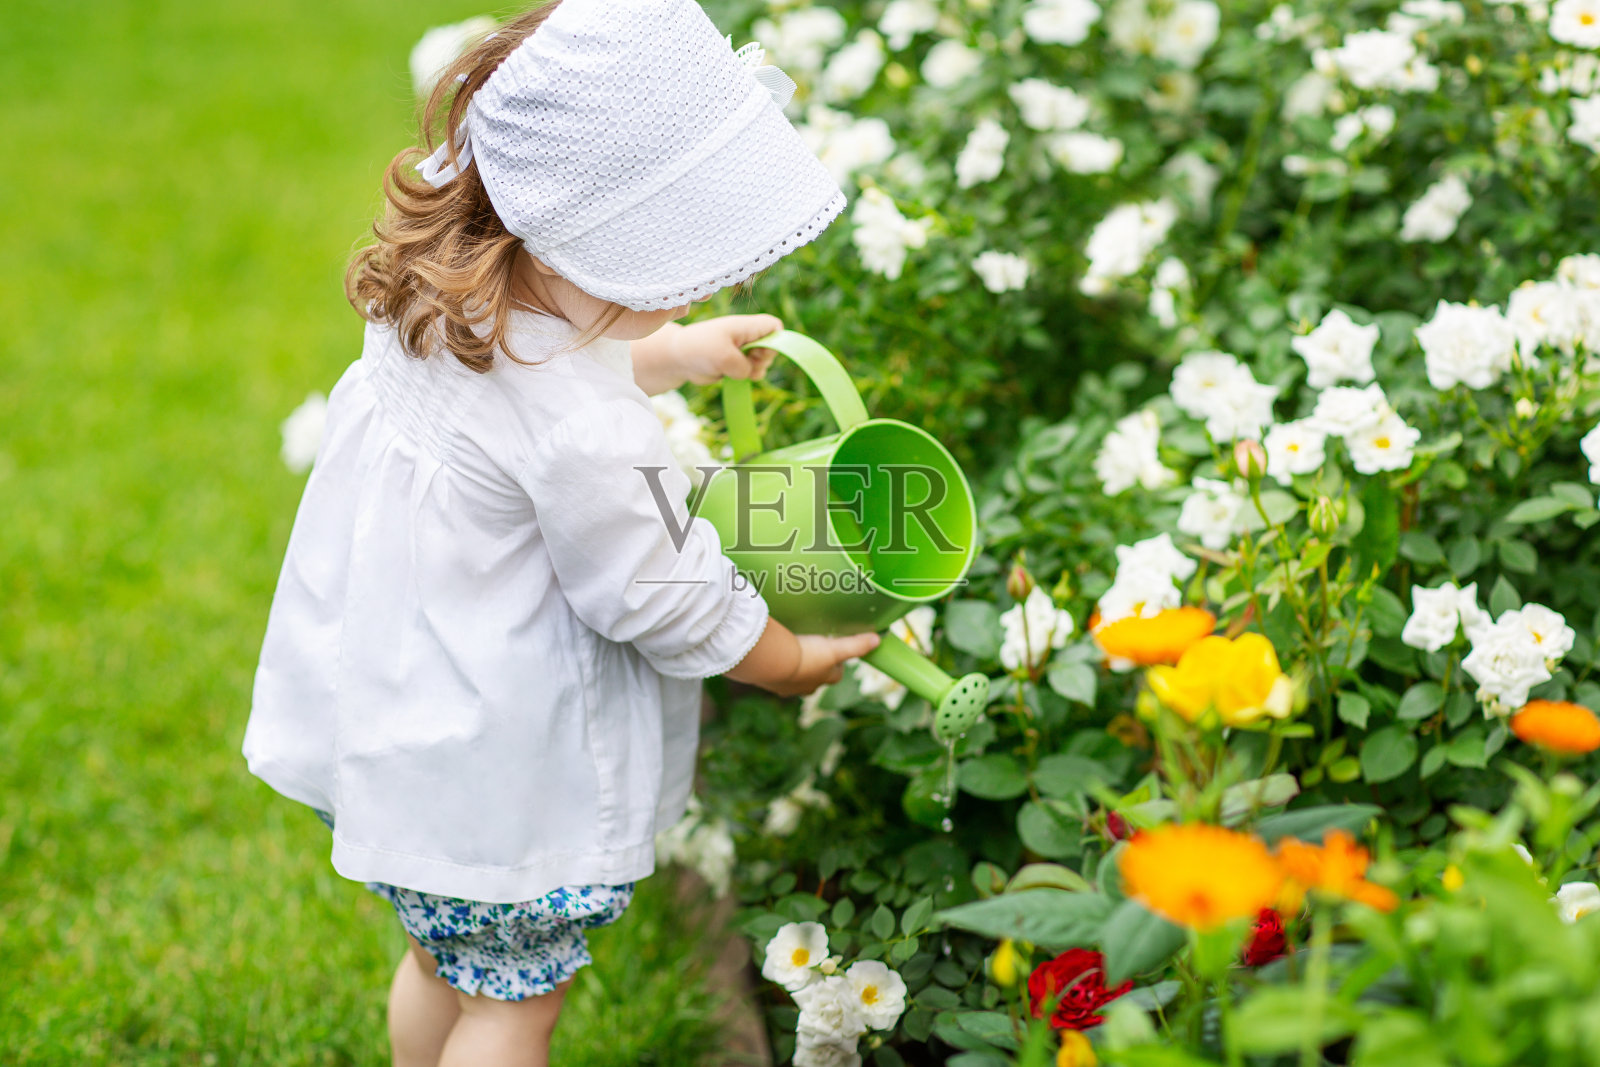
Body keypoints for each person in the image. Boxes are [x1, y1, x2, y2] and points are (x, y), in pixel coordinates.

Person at [241, 1, 876, 1063]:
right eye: (677, 273)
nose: (700, 287)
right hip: (503, 777)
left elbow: (538, 390)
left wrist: (673, 353)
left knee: (444, 965)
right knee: (513, 1009)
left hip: (404, 728)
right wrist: (785, 657)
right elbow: (660, 592)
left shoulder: (444, 296)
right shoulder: (586, 430)